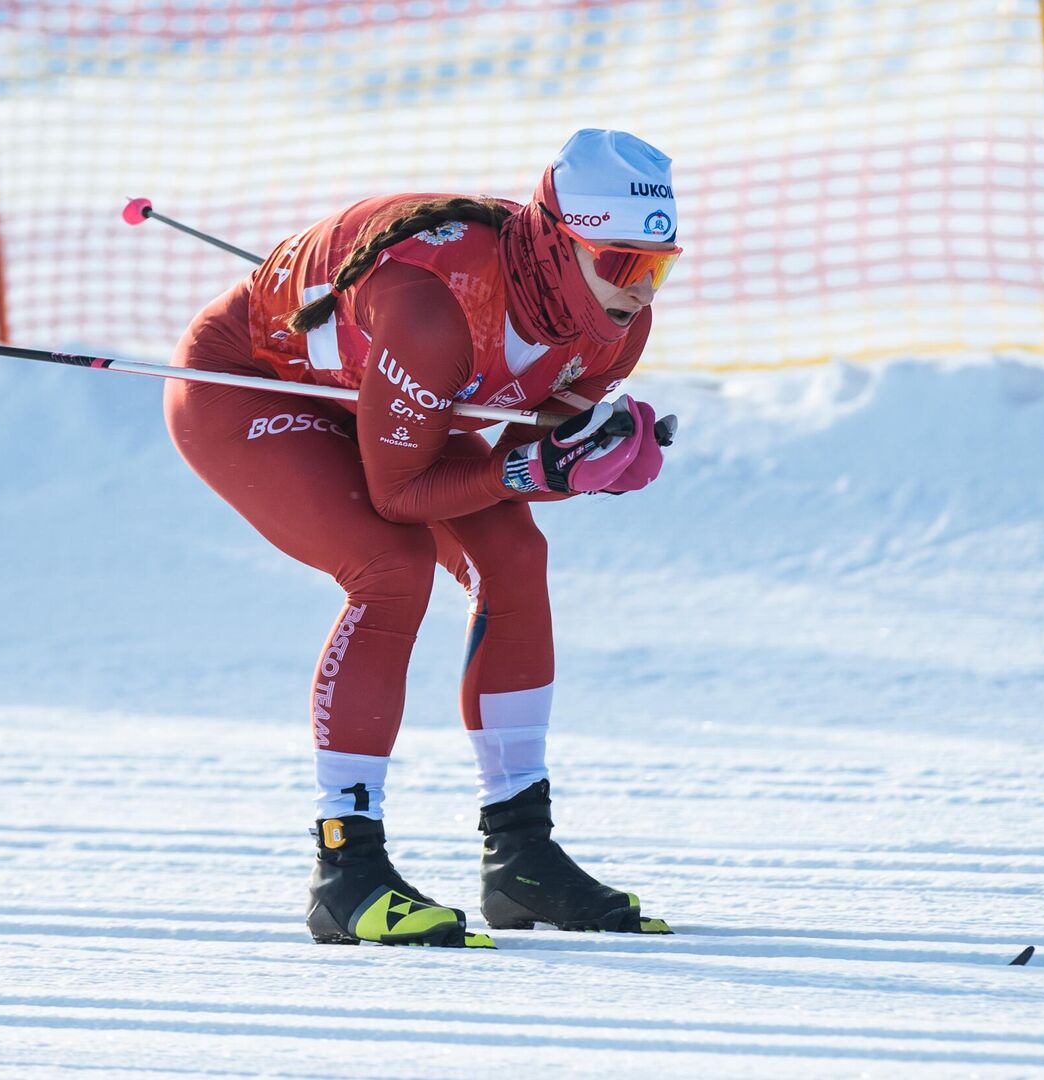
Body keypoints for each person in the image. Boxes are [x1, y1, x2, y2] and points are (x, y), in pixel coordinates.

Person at [164, 129, 681, 949]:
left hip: (388, 395)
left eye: (659, 267)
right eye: (623, 266)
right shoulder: (435, 307)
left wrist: (593, 452)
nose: (641, 292)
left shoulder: (617, 325)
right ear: (557, 242)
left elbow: (527, 447)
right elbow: (400, 495)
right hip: (248, 384)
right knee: (391, 566)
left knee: (514, 557)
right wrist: (540, 469)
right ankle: (346, 870)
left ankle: (522, 858)